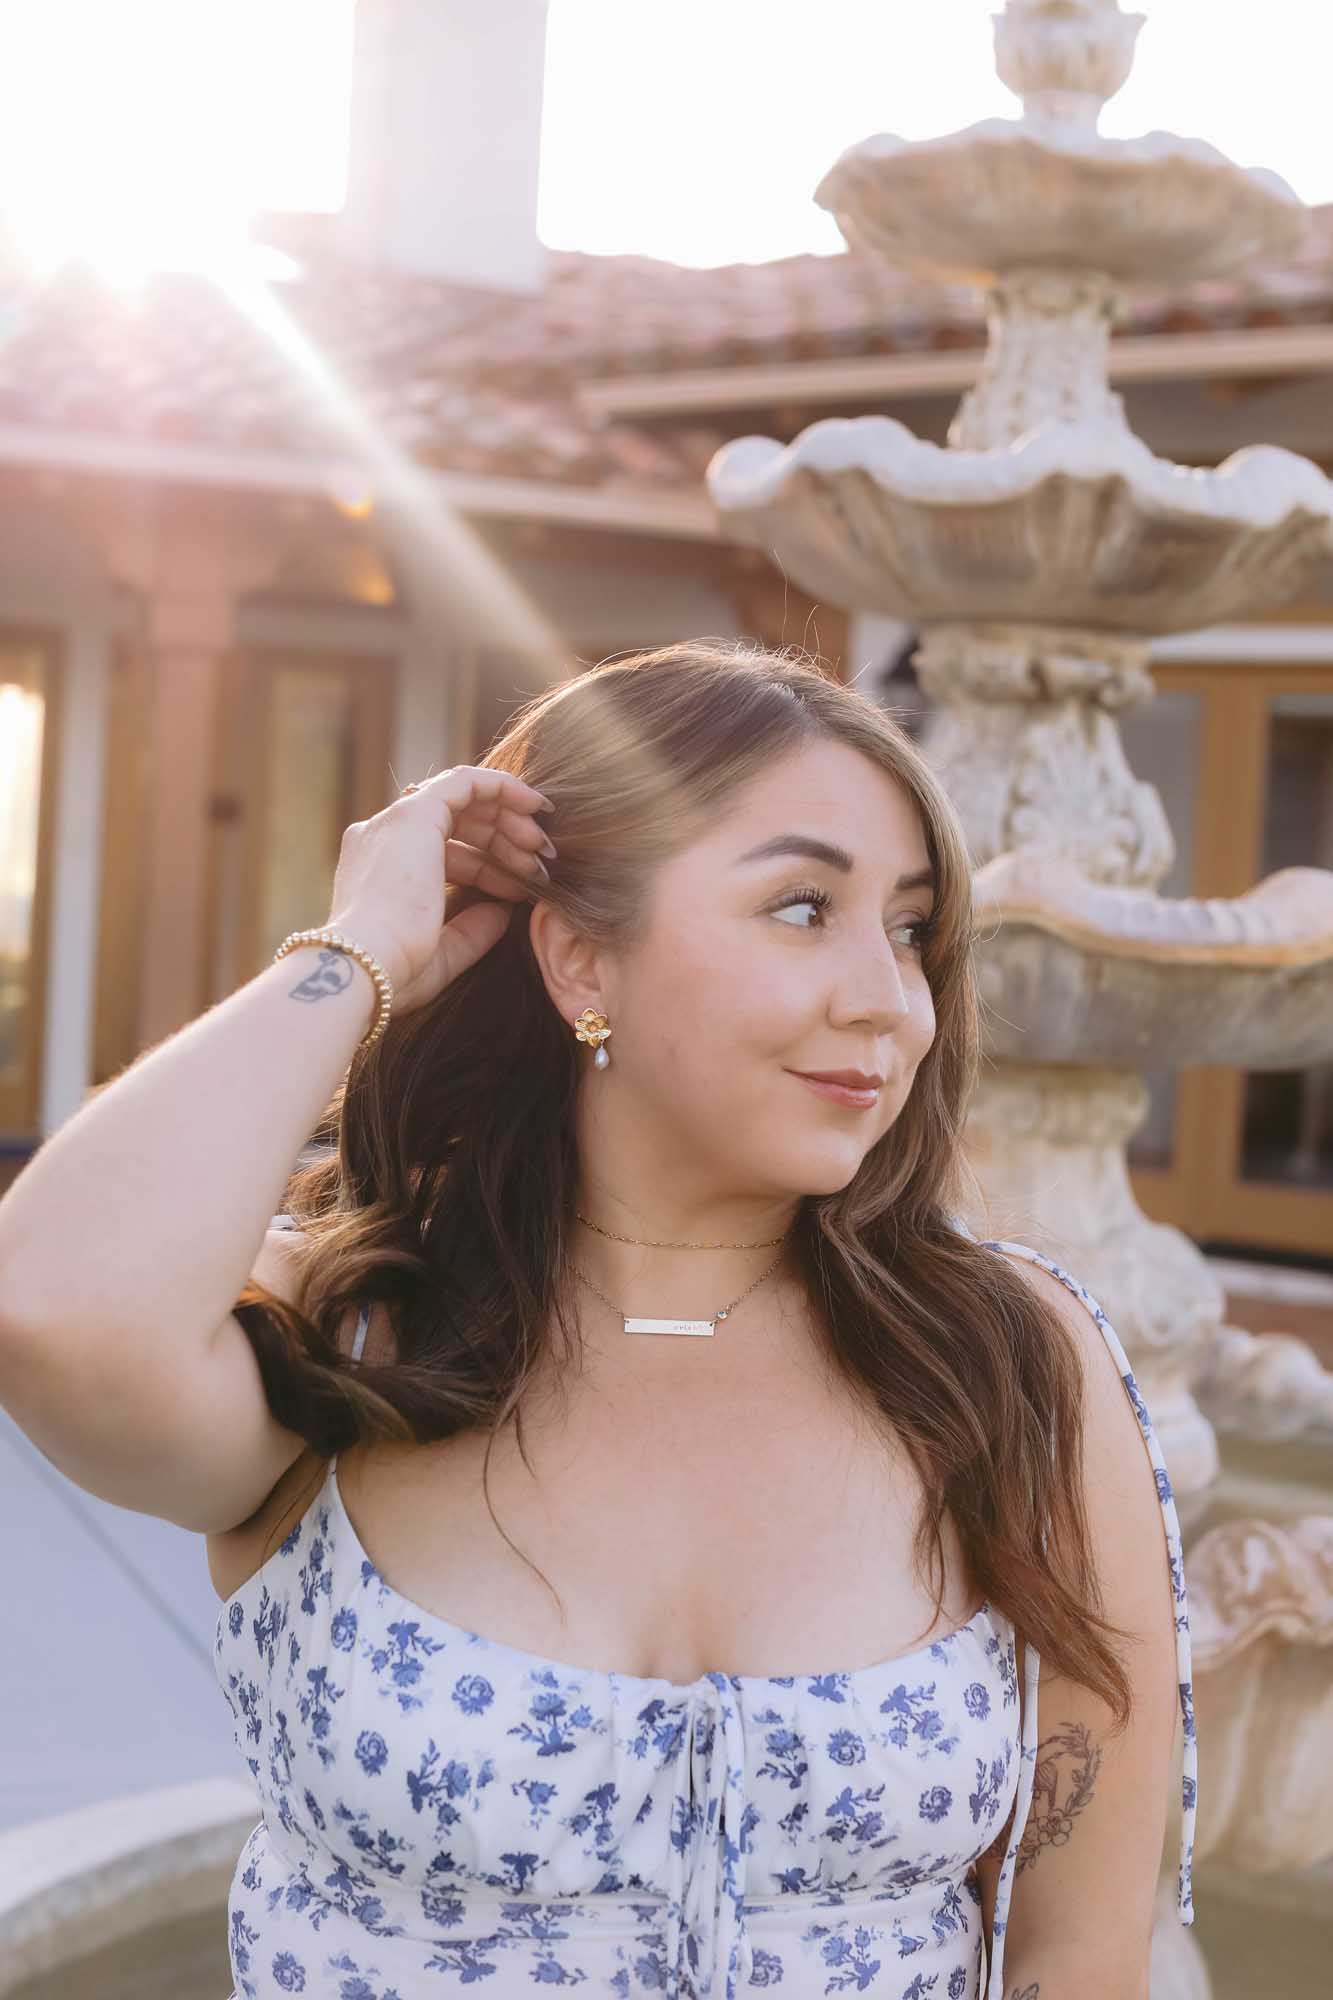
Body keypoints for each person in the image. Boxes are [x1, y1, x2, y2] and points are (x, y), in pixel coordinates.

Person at [0, 640, 1196, 1999]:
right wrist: (362, 946)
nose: (888, 998)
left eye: (909, 925)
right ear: (579, 961)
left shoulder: (1009, 1362)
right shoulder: (352, 1333)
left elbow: (1081, 1955)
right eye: (802, 908)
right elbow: (48, 1311)